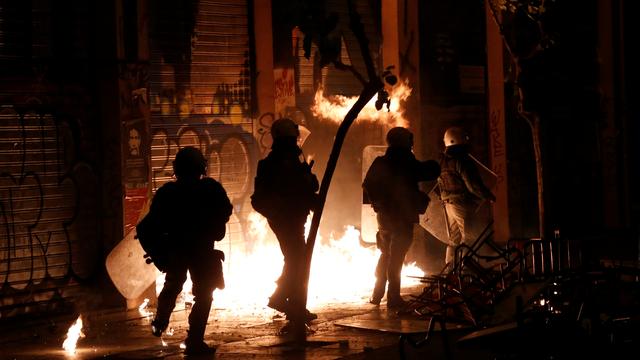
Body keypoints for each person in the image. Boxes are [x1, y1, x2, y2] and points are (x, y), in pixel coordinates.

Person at [145, 146, 232, 356]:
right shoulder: (210, 188)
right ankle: (194, 339)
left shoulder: (168, 192)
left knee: (173, 285)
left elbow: (151, 224)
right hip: (202, 250)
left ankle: (161, 320)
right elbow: (225, 212)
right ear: (201, 167)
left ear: (177, 168)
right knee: (204, 294)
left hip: (177, 249)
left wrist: (159, 251)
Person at [251, 118, 319, 329]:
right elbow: (290, 191)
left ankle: (296, 306)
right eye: (294, 138)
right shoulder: (280, 163)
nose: (297, 142)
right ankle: (280, 298)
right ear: (289, 138)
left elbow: (303, 188)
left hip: (291, 218)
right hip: (287, 220)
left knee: (297, 260)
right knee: (297, 261)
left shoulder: (285, 160)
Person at [363, 127, 440, 308]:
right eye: (409, 140)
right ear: (404, 142)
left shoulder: (380, 162)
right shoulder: (405, 161)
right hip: (401, 217)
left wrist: (379, 204)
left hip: (383, 217)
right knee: (396, 257)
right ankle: (393, 298)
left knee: (386, 254)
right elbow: (426, 172)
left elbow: (367, 185)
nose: (412, 143)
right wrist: (437, 163)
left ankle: (377, 294)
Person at [437, 126, 496, 266]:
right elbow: (472, 185)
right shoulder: (462, 160)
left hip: (448, 204)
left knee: (453, 239)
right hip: (461, 203)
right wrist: (488, 196)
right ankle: (465, 271)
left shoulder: (442, 161)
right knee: (469, 238)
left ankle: (450, 269)